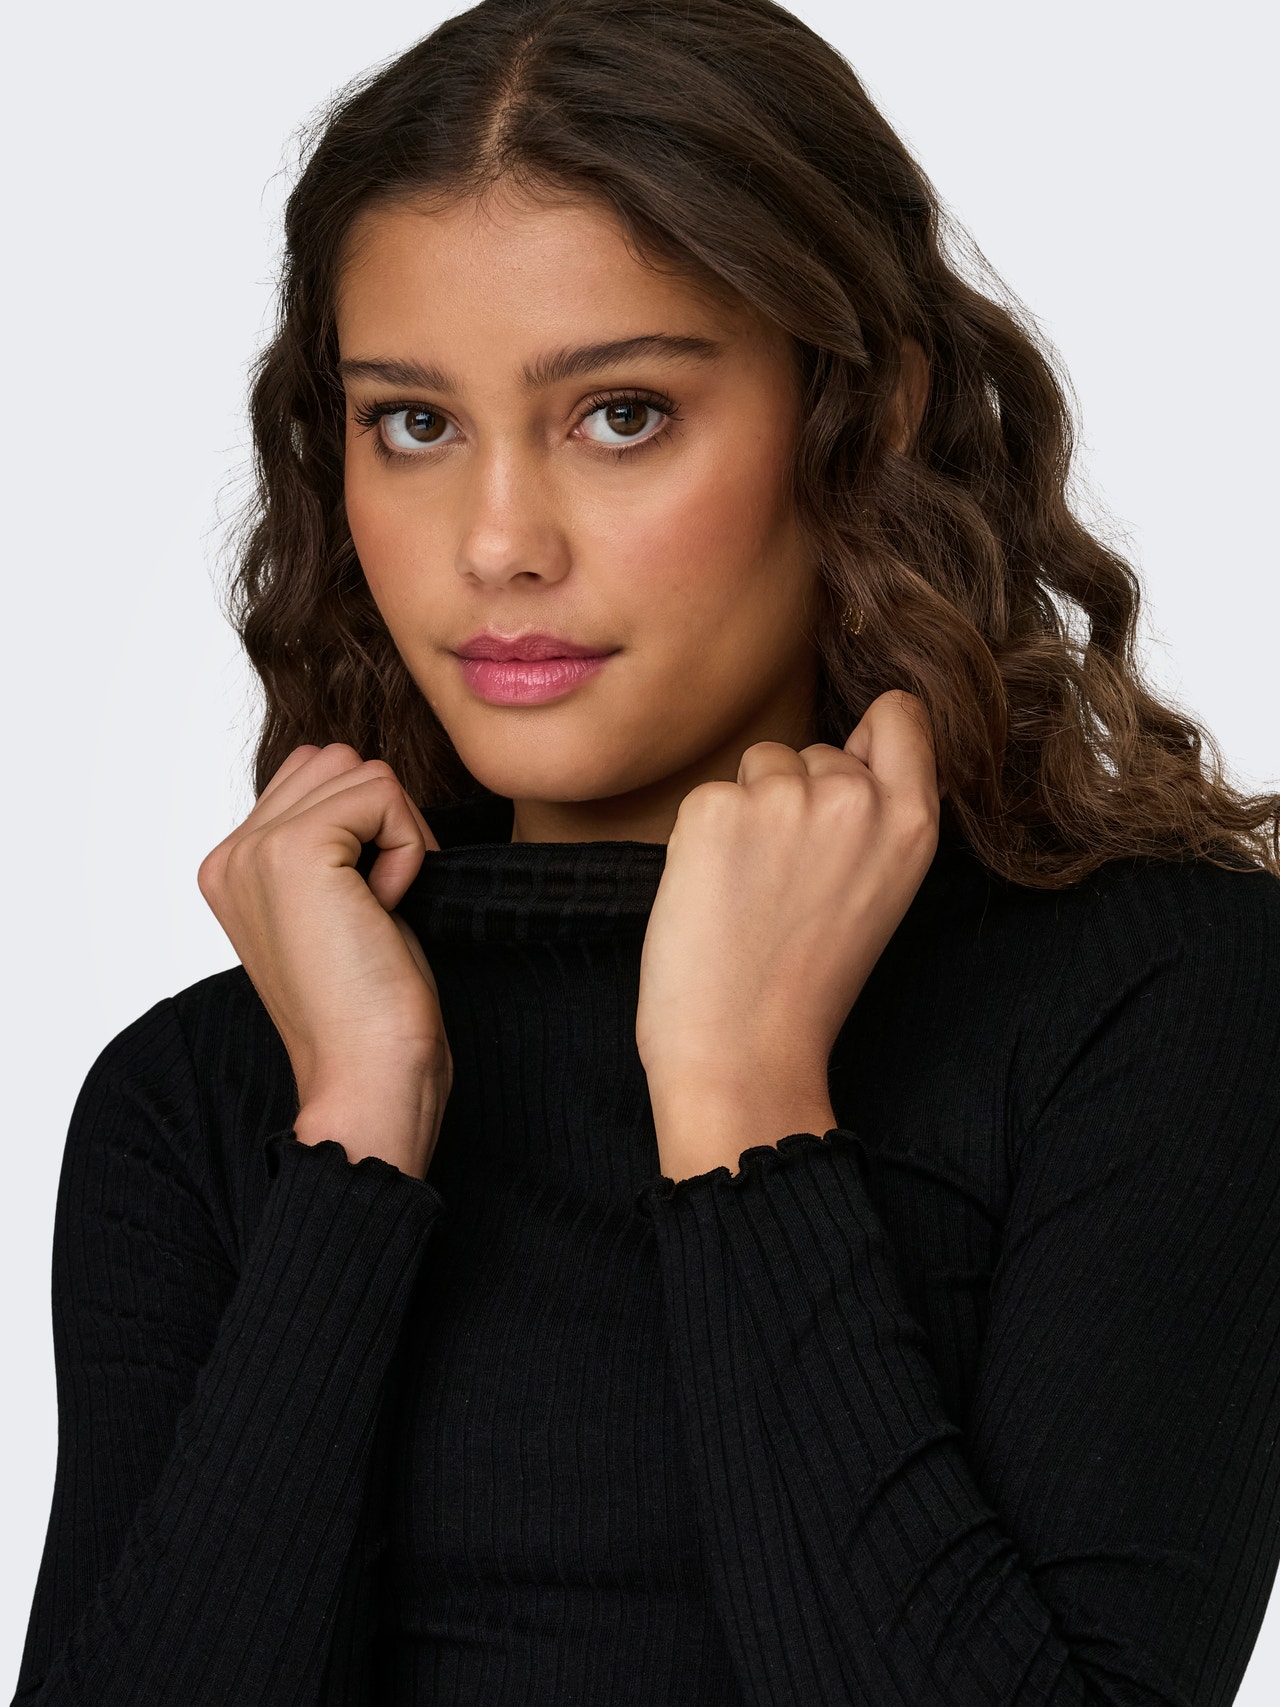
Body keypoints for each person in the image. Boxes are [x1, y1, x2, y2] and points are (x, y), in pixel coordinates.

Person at [12, 0, 1280, 1701]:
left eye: (620, 414)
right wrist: (356, 1138)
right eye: (414, 423)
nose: (497, 546)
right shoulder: (205, 1100)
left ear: (868, 416)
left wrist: (744, 1104)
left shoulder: (1153, 1002)